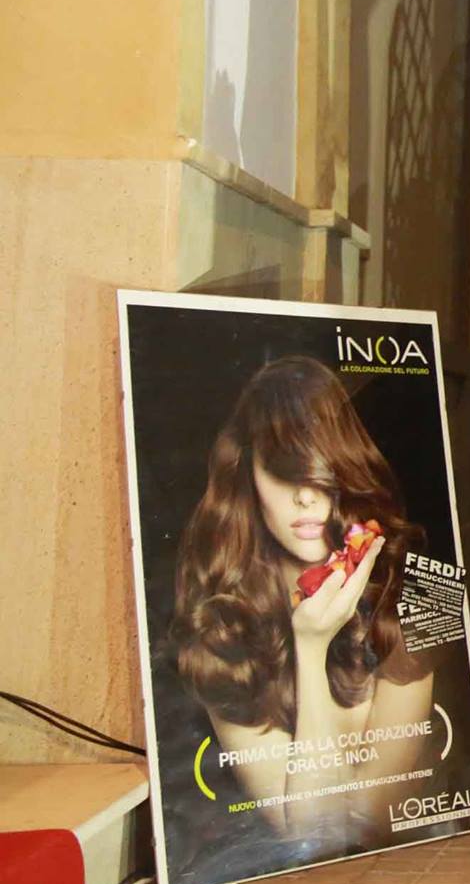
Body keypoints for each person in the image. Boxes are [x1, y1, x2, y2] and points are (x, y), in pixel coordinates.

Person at [167, 357, 434, 837]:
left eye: (321, 468)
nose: (306, 497)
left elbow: (371, 822)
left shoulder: (408, 600)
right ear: (247, 475)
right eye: (281, 470)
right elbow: (315, 833)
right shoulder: (222, 629)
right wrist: (310, 648)